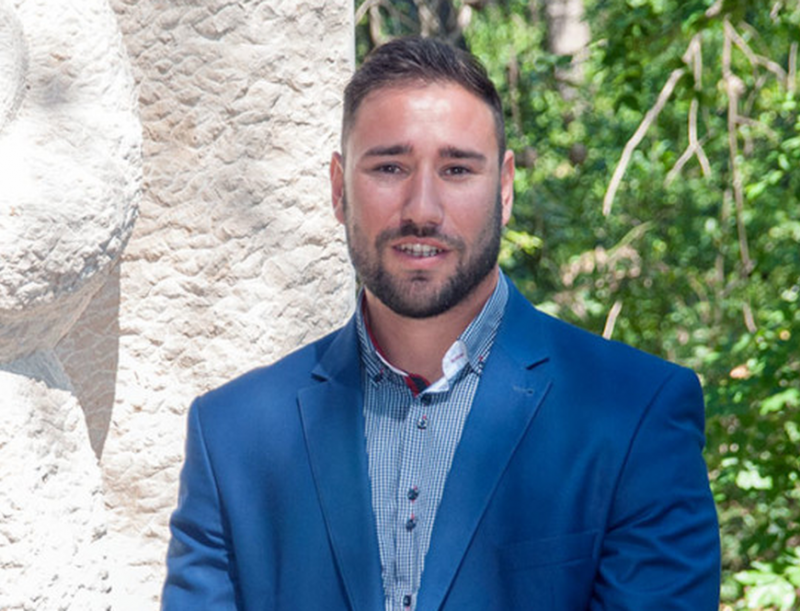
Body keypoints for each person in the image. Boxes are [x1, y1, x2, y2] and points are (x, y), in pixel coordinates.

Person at [162, 37, 720, 611]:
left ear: (504, 189)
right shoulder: (231, 438)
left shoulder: (633, 415)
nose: (422, 209)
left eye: (456, 169)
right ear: (338, 189)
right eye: (389, 167)